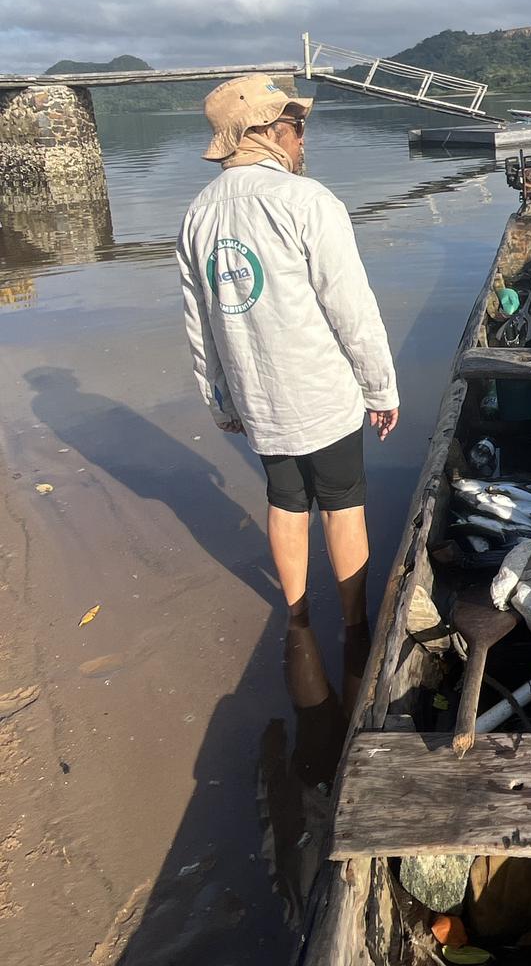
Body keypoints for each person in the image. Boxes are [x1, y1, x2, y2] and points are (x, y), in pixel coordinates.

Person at [177, 74, 399, 667]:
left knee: (286, 501)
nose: (303, 140)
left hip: (257, 396)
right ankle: (354, 627)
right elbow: (351, 307)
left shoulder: (198, 214)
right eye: (297, 127)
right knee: (343, 504)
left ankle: (297, 620)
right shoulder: (308, 201)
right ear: (269, 132)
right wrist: (380, 387)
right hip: (320, 393)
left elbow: (200, 323)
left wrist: (220, 401)